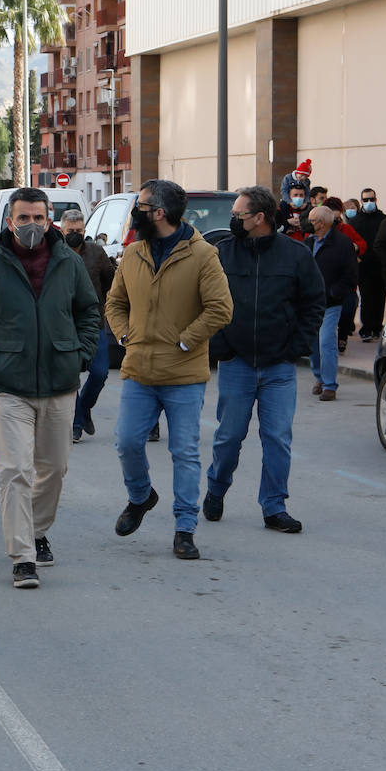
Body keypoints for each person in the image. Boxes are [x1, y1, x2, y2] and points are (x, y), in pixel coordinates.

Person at [0, 188, 101, 589]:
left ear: (49, 219)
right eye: (24, 219)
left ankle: (36, 531)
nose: (32, 226)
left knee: (53, 469)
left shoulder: (68, 263)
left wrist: (81, 354)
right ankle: (23, 557)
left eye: (38, 218)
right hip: (8, 385)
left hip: (59, 381)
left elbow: (89, 311)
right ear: (9, 222)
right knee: (16, 470)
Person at [106, 181, 233, 561]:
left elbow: (220, 308)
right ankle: (141, 497)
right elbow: (115, 303)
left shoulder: (203, 255)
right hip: (139, 369)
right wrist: (126, 334)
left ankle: (184, 528)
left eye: (141, 205)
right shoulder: (133, 253)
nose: (136, 211)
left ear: (159, 212)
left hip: (183, 374)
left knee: (185, 452)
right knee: (127, 442)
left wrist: (185, 341)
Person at [204, 186, 325, 533]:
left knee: (277, 438)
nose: (234, 220)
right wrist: (220, 346)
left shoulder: (296, 255)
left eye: (240, 214)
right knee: (229, 436)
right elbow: (206, 300)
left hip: (279, 367)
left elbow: (314, 303)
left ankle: (274, 506)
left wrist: (296, 346)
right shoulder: (222, 254)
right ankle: (216, 488)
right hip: (237, 363)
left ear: (260, 218)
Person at [59, 209, 115, 444]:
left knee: (100, 372)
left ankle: (83, 408)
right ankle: (76, 424)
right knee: (70, 376)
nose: (75, 234)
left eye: (79, 231)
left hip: (93, 322)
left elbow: (110, 281)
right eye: (70, 231)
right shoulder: (54, 253)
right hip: (62, 324)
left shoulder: (96, 252)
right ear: (61, 230)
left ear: (85, 230)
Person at [305, 206, 358, 402]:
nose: (309, 224)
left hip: (331, 302)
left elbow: (351, 274)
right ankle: (319, 377)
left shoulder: (342, 244)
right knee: (312, 345)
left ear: (322, 223)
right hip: (310, 303)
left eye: (312, 220)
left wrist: (335, 292)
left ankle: (329, 385)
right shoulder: (309, 242)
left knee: (326, 342)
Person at [325, 196, 366, 352]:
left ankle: (342, 337)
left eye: (338, 218)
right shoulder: (319, 230)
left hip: (346, 279)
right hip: (327, 279)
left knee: (349, 307)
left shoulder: (346, 230)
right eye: (333, 218)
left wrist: (356, 248)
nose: (336, 221)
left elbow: (362, 244)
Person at [350, 188, 386, 341]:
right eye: (366, 200)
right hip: (363, 265)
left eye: (371, 199)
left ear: (376, 199)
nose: (369, 202)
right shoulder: (356, 221)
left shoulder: (384, 219)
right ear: (361, 202)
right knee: (366, 297)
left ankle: (377, 326)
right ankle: (366, 328)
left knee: (380, 297)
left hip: (380, 265)